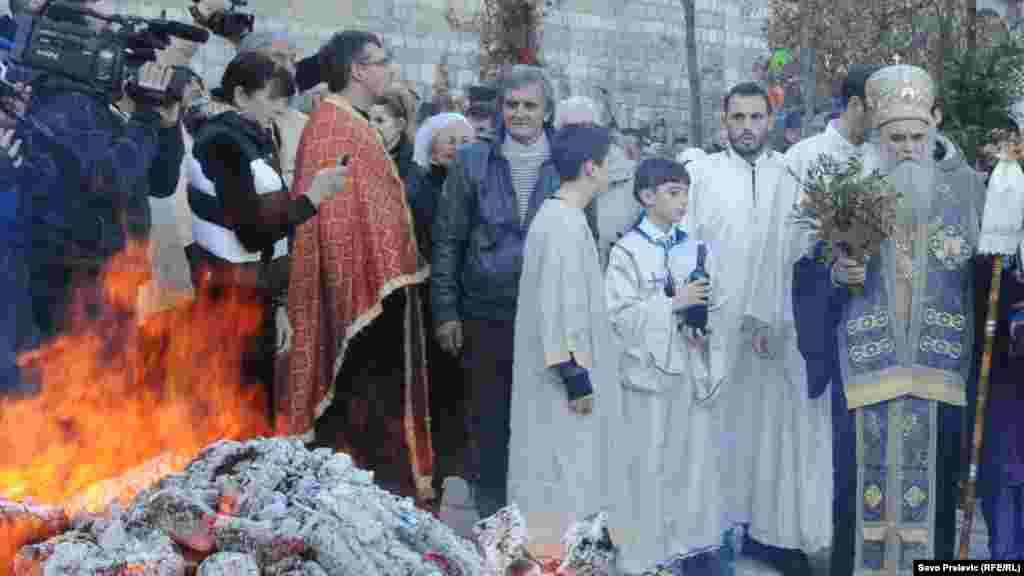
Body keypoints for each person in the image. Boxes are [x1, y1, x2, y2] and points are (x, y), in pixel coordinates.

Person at [795, 65, 977, 571]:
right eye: (895, 137)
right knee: (857, 501)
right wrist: (835, 274)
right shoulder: (846, 191)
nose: (907, 147)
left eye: (918, 136)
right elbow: (807, 278)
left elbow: (986, 282)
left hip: (939, 379)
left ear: (934, 129)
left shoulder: (966, 196)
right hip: (866, 378)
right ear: (877, 136)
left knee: (936, 503)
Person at [284, 31, 431, 501]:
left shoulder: (351, 121)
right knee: (353, 409)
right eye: (381, 62)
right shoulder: (333, 126)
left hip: (377, 290)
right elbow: (332, 222)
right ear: (357, 70)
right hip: (357, 298)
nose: (389, 70)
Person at [688, 81, 827, 576]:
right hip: (717, 331)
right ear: (723, 121)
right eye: (737, 118)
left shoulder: (790, 175)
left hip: (775, 332)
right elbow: (687, 251)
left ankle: (771, 535)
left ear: (770, 120)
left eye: (755, 118)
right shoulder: (701, 175)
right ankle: (712, 539)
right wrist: (694, 317)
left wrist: (779, 317)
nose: (747, 128)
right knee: (716, 436)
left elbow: (802, 252)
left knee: (771, 437)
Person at [187, 51, 346, 422]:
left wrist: (277, 306)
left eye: (286, 97)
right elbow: (254, 233)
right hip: (229, 302)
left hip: (253, 296)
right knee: (236, 415)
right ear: (241, 96)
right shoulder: (222, 142)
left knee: (254, 413)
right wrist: (311, 199)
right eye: (273, 97)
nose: (282, 107)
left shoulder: (252, 136)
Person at [432, 65, 561, 518]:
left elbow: (586, 241)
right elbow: (448, 238)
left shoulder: (565, 162)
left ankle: (535, 514)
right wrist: (446, 310)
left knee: (541, 418)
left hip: (546, 314)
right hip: (486, 311)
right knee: (488, 419)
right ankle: (492, 520)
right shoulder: (473, 160)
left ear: (547, 111)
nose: (520, 114)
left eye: (530, 105)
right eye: (512, 105)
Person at [18, 0, 185, 337]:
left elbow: (161, 183)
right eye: (108, 42)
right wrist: (145, 118)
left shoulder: (111, 108)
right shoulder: (65, 104)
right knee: (76, 382)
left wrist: (166, 128)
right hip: (74, 281)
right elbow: (109, 179)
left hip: (119, 272)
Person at [605, 158, 727, 573]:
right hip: (646, 378)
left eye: (685, 192)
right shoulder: (627, 251)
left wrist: (702, 327)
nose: (682, 201)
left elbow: (710, 304)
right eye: (673, 193)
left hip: (686, 371)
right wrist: (673, 303)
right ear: (646, 197)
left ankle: (686, 548)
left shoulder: (693, 247)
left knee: (688, 463)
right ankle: (645, 557)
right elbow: (617, 317)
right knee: (647, 463)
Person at [507, 124, 621, 559]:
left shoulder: (565, 218)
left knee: (570, 475)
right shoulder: (560, 223)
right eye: (609, 161)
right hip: (562, 384)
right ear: (591, 167)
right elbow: (557, 308)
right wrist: (575, 376)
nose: (613, 169)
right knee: (559, 475)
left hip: (569, 373)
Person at [785, 64, 879, 576]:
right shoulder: (806, 159)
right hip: (822, 324)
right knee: (831, 452)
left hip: (875, 325)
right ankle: (821, 549)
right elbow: (788, 244)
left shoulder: (884, 158)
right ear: (856, 104)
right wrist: (831, 261)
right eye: (877, 107)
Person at [411, 112, 475, 502]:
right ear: (431, 148)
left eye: (463, 140)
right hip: (432, 298)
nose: (456, 147)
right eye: (448, 139)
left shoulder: (473, 186)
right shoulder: (421, 189)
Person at [553, 96, 635, 267]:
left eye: (586, 129)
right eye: (570, 131)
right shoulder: (549, 175)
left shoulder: (628, 178)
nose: (579, 138)